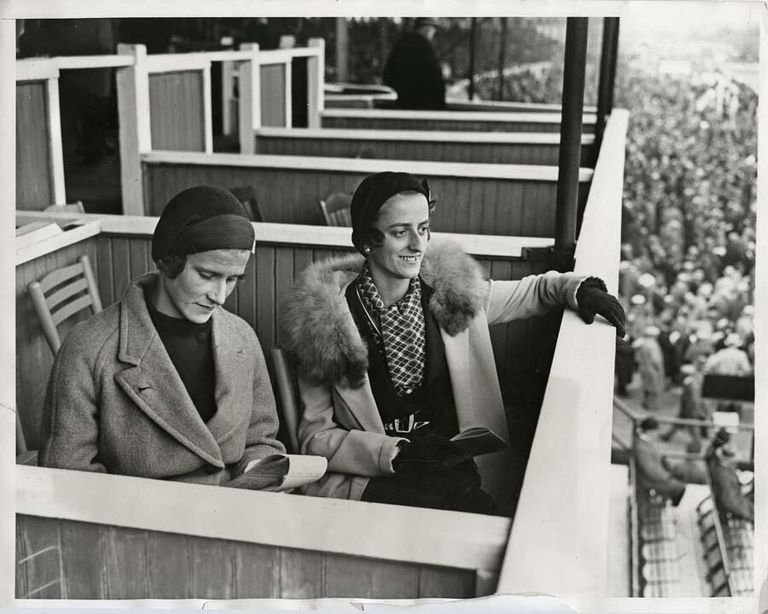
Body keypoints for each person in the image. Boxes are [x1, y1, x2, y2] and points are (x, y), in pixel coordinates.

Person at [280, 171, 625, 514]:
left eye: (424, 228)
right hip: (379, 474)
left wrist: (579, 289)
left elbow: (531, 291)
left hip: (451, 458)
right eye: (401, 232)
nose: (417, 244)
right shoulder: (326, 322)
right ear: (368, 241)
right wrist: (393, 453)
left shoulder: (450, 295)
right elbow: (315, 439)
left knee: (471, 502)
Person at [39, 186, 285, 484]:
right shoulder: (88, 349)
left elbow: (261, 437)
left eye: (232, 279)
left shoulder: (242, 337)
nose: (220, 296)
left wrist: (259, 473)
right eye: (206, 276)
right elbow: (67, 474)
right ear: (168, 260)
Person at [382, 18, 446, 110]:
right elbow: (435, 80)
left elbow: (388, 74)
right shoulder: (426, 48)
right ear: (427, 30)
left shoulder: (401, 45)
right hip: (423, 107)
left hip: (399, 105)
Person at [632, 418, 686, 506]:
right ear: (649, 431)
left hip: (656, 475)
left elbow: (655, 458)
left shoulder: (646, 441)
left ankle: (669, 503)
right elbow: (650, 470)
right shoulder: (642, 448)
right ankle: (673, 507)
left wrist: (664, 459)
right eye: (656, 431)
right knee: (680, 487)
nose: (657, 434)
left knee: (681, 474)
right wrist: (667, 476)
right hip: (649, 481)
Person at [706, 429, 754, 523]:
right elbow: (730, 502)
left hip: (733, 496)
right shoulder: (724, 476)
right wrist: (750, 514)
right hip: (734, 504)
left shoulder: (717, 464)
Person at [660, 360, 709, 445]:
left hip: (690, 405)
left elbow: (694, 397)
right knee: (680, 420)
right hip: (687, 403)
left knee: (692, 424)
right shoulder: (699, 377)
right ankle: (668, 435)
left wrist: (697, 408)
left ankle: (697, 443)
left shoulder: (694, 380)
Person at [634, 326, 666, 410]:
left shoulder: (643, 343)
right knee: (653, 389)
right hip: (653, 370)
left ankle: (645, 402)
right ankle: (651, 405)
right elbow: (656, 360)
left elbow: (637, 358)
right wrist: (660, 370)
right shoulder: (653, 345)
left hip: (644, 368)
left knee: (646, 387)